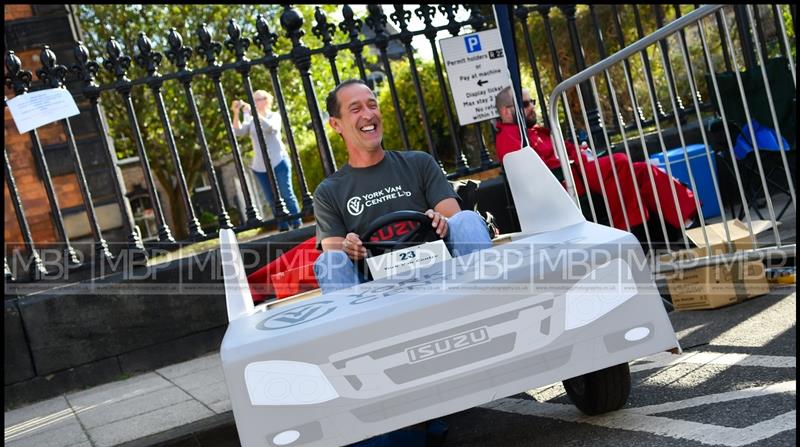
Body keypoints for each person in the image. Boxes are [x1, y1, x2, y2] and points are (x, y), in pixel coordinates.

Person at [312, 79, 493, 293]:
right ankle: (356, 325)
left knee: (466, 219)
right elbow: (335, 253)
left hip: (441, 271)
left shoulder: (419, 163)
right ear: (336, 124)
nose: (368, 115)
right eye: (356, 109)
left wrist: (441, 221)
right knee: (330, 261)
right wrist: (349, 246)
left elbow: (455, 220)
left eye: (372, 105)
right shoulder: (328, 192)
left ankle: (488, 301)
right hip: (377, 291)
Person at [494, 86, 698, 238]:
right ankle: (632, 230)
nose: (532, 108)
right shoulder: (508, 138)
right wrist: (574, 159)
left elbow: (565, 147)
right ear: (505, 111)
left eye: (533, 102)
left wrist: (579, 152)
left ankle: (684, 220)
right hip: (567, 181)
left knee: (642, 170)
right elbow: (530, 172)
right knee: (620, 162)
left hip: (577, 169)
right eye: (525, 104)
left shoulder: (532, 131)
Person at [232, 90, 302, 231]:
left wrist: (253, 113)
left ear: (267, 100)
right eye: (253, 99)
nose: (255, 102)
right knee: (272, 200)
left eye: (258, 99)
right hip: (260, 166)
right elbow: (239, 132)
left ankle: (297, 224)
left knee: (286, 194)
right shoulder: (250, 119)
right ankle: (283, 227)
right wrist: (236, 112)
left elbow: (271, 128)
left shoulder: (274, 115)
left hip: (279, 161)